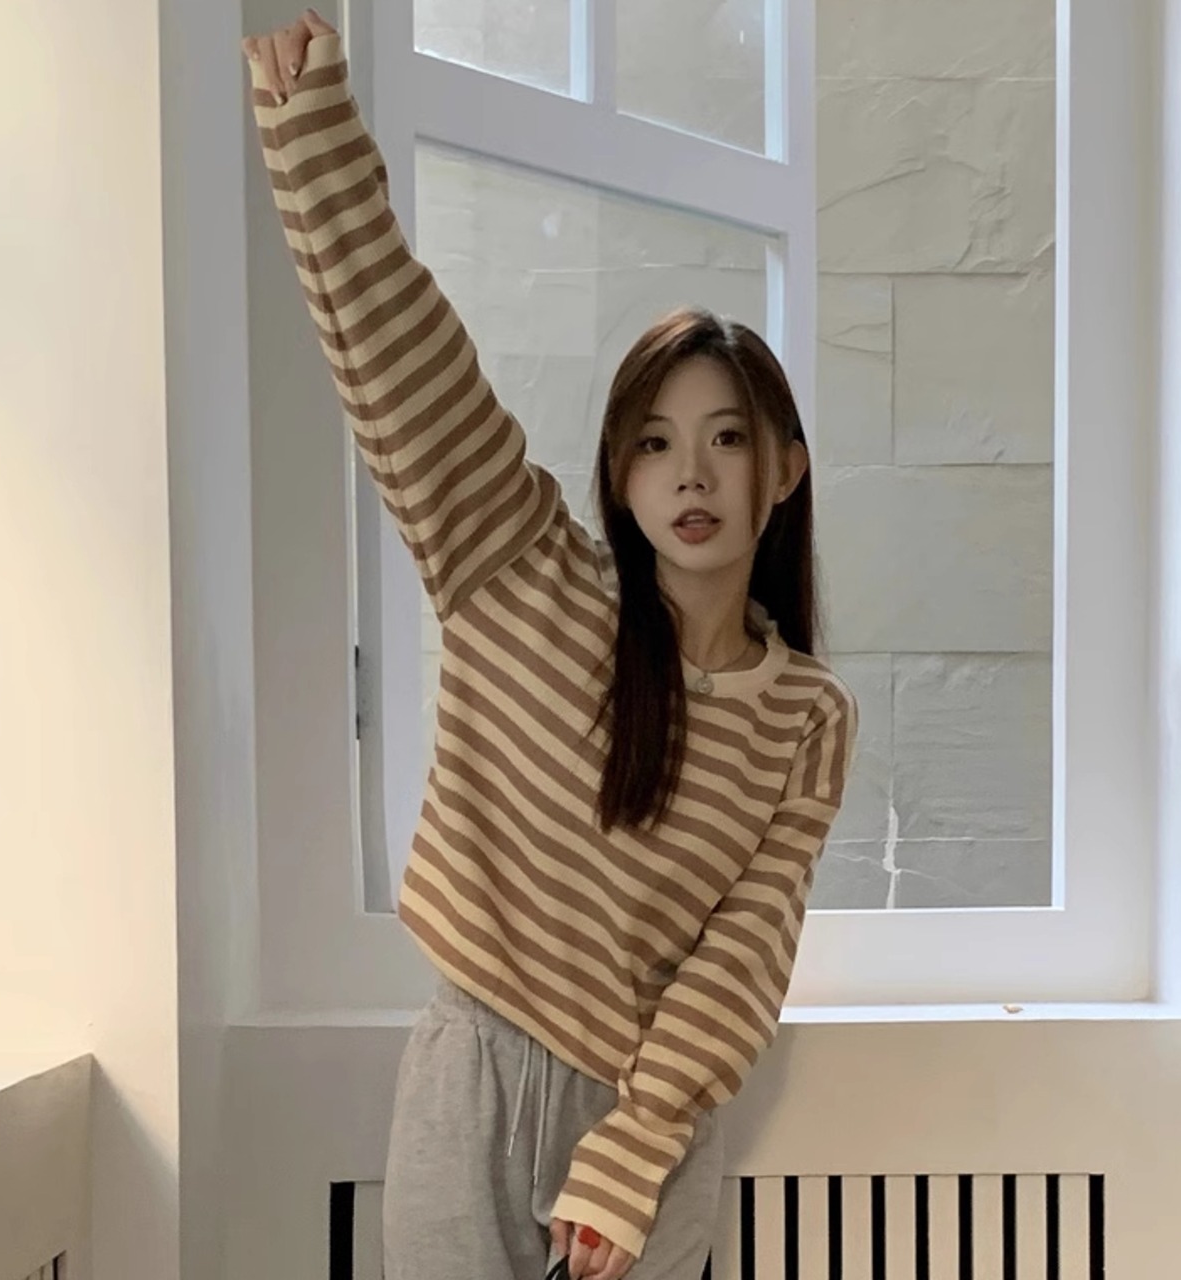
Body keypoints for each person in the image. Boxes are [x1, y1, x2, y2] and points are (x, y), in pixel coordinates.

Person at [242, 11, 859, 1280]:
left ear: (786, 468)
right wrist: (310, 135)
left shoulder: (805, 715)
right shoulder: (518, 568)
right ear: (619, 475)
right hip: (469, 1078)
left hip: (646, 1129)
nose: (691, 473)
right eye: (654, 441)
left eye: (728, 438)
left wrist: (634, 1149)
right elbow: (404, 364)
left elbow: (743, 953)